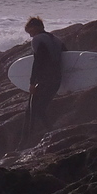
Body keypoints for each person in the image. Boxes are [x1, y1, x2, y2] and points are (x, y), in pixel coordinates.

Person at [21, 16, 65, 145]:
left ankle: (25, 143)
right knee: (40, 109)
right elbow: (67, 58)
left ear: (35, 28)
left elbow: (38, 62)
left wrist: (32, 82)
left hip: (45, 80)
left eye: (30, 32)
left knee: (31, 110)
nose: (30, 36)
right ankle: (53, 135)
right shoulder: (56, 40)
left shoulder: (38, 40)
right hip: (56, 79)